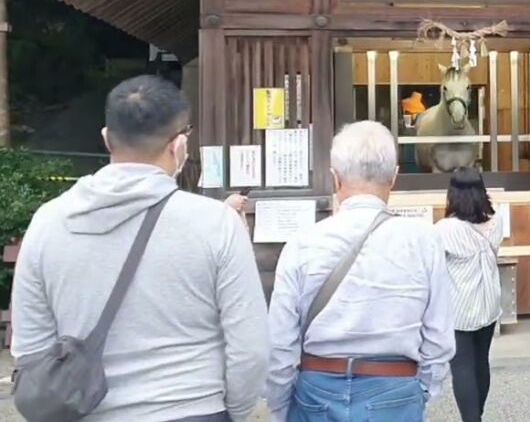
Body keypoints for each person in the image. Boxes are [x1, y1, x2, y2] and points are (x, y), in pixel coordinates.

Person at [11, 75, 269, 422]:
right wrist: (231, 412)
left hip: (86, 413)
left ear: (105, 138)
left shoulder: (48, 221)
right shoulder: (215, 223)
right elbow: (250, 349)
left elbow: (30, 349)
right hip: (193, 408)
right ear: (179, 146)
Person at [267, 120, 455, 422]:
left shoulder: (302, 244)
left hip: (315, 392)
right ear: (394, 177)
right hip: (395, 390)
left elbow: (279, 343)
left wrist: (279, 407)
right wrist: (421, 394)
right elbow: (439, 339)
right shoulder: (424, 241)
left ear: (335, 179)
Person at [434, 168, 504, 422]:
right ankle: (477, 415)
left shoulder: (444, 229)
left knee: (462, 367)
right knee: (480, 362)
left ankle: (472, 419)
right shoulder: (496, 221)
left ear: (452, 194)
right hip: (489, 303)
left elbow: (434, 268)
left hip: (460, 308)